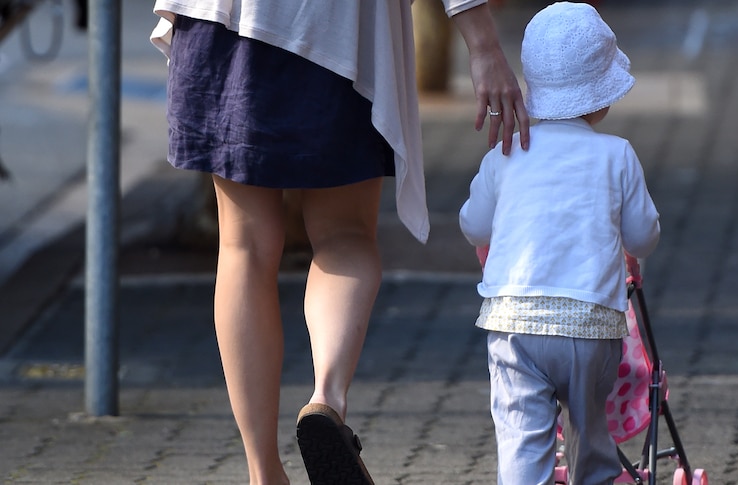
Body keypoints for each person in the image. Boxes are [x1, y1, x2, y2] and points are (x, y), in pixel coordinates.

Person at [148, 2, 529, 485]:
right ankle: (326, 398)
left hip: (223, 20)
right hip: (337, 27)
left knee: (243, 246)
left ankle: (264, 472)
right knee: (344, 235)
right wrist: (482, 44)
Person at [458, 3, 661, 484]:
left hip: (514, 322)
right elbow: (642, 235)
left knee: (522, 436)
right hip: (590, 326)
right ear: (602, 98)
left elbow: (473, 225)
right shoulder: (617, 155)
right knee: (590, 432)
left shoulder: (506, 151)